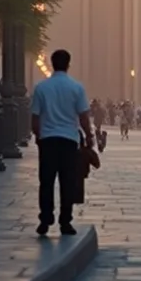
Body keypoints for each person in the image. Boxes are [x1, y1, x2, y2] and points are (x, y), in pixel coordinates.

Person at [30, 48, 93, 236]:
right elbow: (83, 116)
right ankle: (65, 222)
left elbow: (35, 118)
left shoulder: (41, 88)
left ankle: (45, 219)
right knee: (68, 182)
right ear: (68, 64)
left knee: (46, 182)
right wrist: (89, 136)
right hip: (69, 141)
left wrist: (39, 136)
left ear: (52, 63)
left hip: (48, 140)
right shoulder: (77, 88)